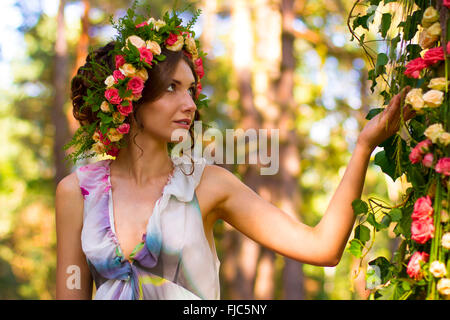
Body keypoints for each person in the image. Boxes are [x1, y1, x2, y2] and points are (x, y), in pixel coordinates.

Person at [55, 8, 415, 300]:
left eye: (192, 90)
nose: (189, 104)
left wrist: (365, 146)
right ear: (132, 98)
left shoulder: (209, 184)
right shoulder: (78, 193)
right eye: (171, 88)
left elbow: (323, 248)